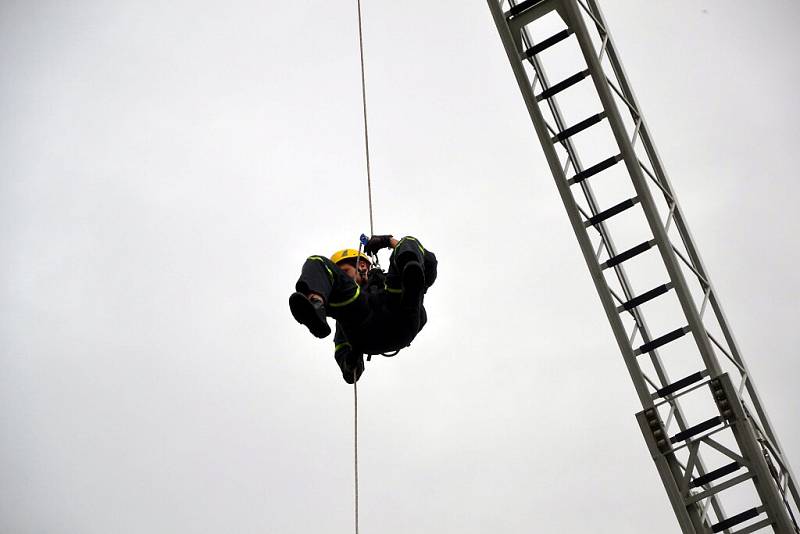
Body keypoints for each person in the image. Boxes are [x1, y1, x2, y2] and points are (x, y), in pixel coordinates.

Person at [289, 235, 437, 383]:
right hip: (366, 330)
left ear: (362, 266)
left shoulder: (387, 281)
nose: (342, 278)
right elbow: (342, 347)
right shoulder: (347, 312)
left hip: (400, 312)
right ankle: (316, 306)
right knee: (316, 261)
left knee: (407, 242)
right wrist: (350, 364)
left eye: (345, 272)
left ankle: (411, 272)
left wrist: (387, 241)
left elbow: (426, 260)